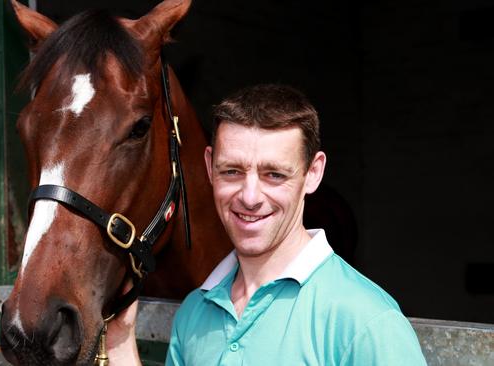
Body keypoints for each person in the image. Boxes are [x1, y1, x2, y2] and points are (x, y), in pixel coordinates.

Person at [107, 84, 427, 365]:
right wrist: (120, 342)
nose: (249, 197)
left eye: (274, 174)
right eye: (232, 171)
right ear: (209, 166)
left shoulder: (367, 321)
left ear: (313, 173)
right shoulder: (194, 314)